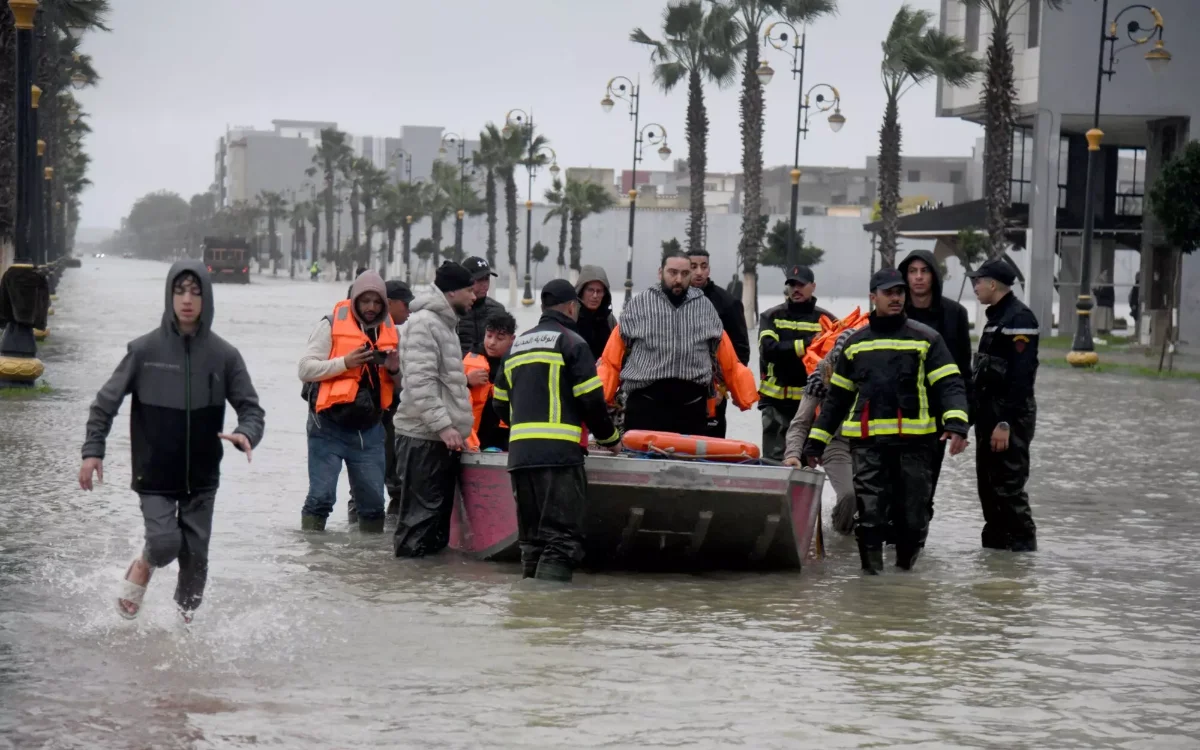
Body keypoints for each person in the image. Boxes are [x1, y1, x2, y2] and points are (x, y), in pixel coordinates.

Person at [79, 262, 265, 622]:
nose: (187, 300)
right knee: (165, 544)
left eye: (196, 292)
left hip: (202, 476)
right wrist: (92, 452)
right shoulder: (144, 350)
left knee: (195, 567)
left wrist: (246, 433)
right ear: (169, 295)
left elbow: (251, 409)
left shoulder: (225, 356)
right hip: (155, 472)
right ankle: (144, 564)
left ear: (206, 298)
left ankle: (182, 641)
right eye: (180, 291)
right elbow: (105, 403)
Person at [802, 267, 970, 574]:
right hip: (868, 446)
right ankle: (872, 580)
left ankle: (903, 576)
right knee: (870, 517)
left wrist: (957, 423)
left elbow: (950, 384)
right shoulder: (855, 344)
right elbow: (836, 401)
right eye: (889, 293)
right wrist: (815, 441)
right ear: (872, 297)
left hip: (916, 445)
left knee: (913, 518)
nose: (896, 298)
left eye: (900, 293)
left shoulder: (926, 339)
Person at [493, 279, 622, 582]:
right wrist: (611, 440)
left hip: (521, 456)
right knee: (561, 539)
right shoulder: (572, 342)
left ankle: (528, 611)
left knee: (532, 541)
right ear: (570, 306)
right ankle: (551, 619)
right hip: (559, 457)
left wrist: (524, 426)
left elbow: (498, 403)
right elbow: (591, 400)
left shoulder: (517, 346)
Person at [599, 251, 757, 435]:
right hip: (645, 406)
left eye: (684, 273)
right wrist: (603, 396)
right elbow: (611, 357)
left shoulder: (705, 307)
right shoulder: (639, 305)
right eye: (672, 272)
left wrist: (737, 391)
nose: (678, 279)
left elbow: (727, 355)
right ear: (661, 273)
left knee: (687, 463)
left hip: (691, 408)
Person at [298, 270, 399, 532]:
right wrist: (346, 362)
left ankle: (367, 564)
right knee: (320, 499)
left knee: (374, 505)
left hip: (370, 431)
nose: (371, 307)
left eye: (377, 302)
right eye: (365, 301)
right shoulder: (330, 325)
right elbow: (305, 369)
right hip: (327, 427)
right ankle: (314, 557)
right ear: (354, 300)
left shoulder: (391, 333)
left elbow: (400, 387)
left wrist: (395, 370)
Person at [393, 261, 477, 557]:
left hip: (440, 440)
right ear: (452, 291)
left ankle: (429, 594)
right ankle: (409, 589)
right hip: (422, 438)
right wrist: (444, 425)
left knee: (437, 528)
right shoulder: (424, 323)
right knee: (419, 523)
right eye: (469, 289)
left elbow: (448, 383)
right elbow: (420, 381)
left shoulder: (445, 324)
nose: (474, 296)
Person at [898, 249, 973, 542]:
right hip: (893, 414)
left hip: (936, 418)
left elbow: (963, 373)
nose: (918, 277)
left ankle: (915, 547)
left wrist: (962, 423)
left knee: (923, 487)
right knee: (890, 488)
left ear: (933, 275)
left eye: (924, 271)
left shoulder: (954, 314)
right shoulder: (893, 311)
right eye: (912, 271)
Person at [970, 258, 1039, 552]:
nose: (975, 286)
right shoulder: (996, 317)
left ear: (993, 284)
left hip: (1008, 418)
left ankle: (1023, 556)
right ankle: (996, 560)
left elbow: (1022, 378)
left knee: (1008, 488)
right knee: (988, 488)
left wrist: (1005, 423)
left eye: (978, 281)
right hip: (989, 416)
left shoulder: (1019, 319)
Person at [783, 329, 858, 536]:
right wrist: (792, 454)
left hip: (869, 442)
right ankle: (841, 536)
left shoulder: (873, 371)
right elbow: (800, 422)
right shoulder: (821, 376)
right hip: (836, 442)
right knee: (849, 495)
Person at [759, 264, 836, 460]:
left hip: (810, 405)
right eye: (792, 284)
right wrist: (808, 344)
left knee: (805, 462)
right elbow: (768, 351)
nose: (796, 289)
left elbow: (834, 359)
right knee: (773, 462)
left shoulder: (827, 320)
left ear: (813, 286)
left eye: (801, 284)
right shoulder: (771, 316)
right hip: (775, 403)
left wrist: (787, 348)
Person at [688, 248, 751, 438]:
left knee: (710, 445)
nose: (699, 272)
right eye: (693, 266)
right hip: (679, 388)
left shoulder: (727, 303)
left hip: (713, 391)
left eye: (703, 266)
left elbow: (741, 350)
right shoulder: (674, 299)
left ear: (709, 269)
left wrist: (723, 388)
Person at [382, 279, 414, 518]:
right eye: (405, 304)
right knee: (392, 479)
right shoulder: (387, 335)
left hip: (389, 411)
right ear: (390, 303)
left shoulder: (397, 335)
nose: (409, 310)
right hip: (379, 414)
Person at [464, 310, 517, 451]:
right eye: (489, 336)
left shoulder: (517, 365)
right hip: (472, 438)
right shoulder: (469, 361)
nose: (492, 343)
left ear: (512, 339)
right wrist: (466, 381)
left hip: (505, 439)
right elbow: (447, 388)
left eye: (500, 338)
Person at [457, 256, 506, 356]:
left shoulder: (498, 310)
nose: (484, 284)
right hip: (458, 369)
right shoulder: (453, 311)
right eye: (479, 280)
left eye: (486, 279)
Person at [574, 264, 617, 360]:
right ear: (581, 291)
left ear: (604, 294)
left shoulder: (610, 320)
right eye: (590, 290)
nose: (595, 295)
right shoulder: (571, 316)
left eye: (599, 291)